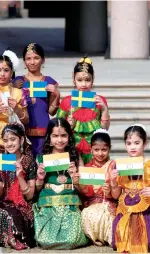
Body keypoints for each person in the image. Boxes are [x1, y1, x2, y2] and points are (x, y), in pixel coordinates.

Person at [33, 118, 88, 249]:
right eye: (55, 136)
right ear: (49, 138)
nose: (59, 140)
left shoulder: (75, 157)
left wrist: (75, 178)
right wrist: (40, 178)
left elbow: (84, 190)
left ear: (69, 137)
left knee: (72, 239)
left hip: (70, 206)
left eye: (63, 135)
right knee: (45, 240)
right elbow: (36, 189)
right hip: (48, 206)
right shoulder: (41, 159)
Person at [0, 124, 36, 249]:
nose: (9, 144)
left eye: (13, 139)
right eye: (5, 141)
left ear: (21, 140)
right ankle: (1, 237)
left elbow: (29, 196)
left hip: (21, 206)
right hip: (3, 202)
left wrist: (20, 176)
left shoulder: (28, 162)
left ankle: (12, 238)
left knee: (11, 215)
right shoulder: (1, 161)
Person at [56, 57, 110, 164]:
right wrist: (68, 126)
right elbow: (58, 128)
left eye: (88, 80)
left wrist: (104, 109)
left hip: (95, 149)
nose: (84, 84)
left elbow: (104, 129)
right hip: (72, 146)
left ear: (93, 79)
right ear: (74, 80)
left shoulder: (100, 100)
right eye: (80, 80)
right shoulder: (67, 101)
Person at [12, 43, 61, 157]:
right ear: (24, 62)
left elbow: (51, 111)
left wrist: (57, 95)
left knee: (42, 162)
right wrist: (13, 88)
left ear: (43, 60)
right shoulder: (18, 81)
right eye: (28, 59)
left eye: (36, 58)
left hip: (43, 130)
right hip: (22, 130)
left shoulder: (49, 81)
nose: (32, 62)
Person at [72, 129, 117, 246]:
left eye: (104, 150)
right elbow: (86, 193)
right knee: (88, 214)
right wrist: (77, 183)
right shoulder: (88, 168)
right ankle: (95, 238)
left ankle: (107, 238)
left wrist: (110, 191)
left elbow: (117, 193)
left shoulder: (114, 166)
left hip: (109, 202)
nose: (100, 153)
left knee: (108, 217)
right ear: (91, 149)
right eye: (96, 150)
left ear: (109, 149)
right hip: (92, 203)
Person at [111, 124, 150, 253]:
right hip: (125, 208)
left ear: (145, 143)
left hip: (146, 208)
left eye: (137, 143)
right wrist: (113, 182)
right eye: (128, 143)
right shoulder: (120, 165)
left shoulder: (149, 164)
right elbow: (116, 195)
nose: (132, 147)